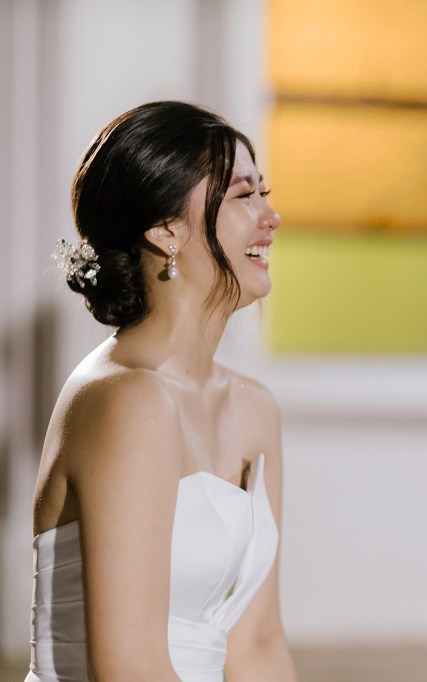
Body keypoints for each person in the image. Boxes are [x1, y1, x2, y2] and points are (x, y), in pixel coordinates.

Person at [28, 101, 297, 681]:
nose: (271, 217)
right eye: (243, 195)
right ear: (165, 229)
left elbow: (256, 643)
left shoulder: (254, 409)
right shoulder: (125, 399)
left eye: (264, 192)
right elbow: (131, 668)